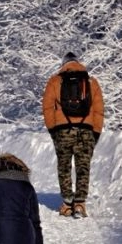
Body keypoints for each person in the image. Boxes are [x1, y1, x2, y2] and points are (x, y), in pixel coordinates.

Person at [42, 51, 104, 218]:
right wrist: (95, 132)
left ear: (63, 64)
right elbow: (99, 110)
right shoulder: (91, 82)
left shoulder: (55, 81)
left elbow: (47, 108)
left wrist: (53, 130)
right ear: (78, 63)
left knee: (64, 166)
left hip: (63, 130)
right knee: (83, 167)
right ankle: (80, 204)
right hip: (86, 130)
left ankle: (67, 204)